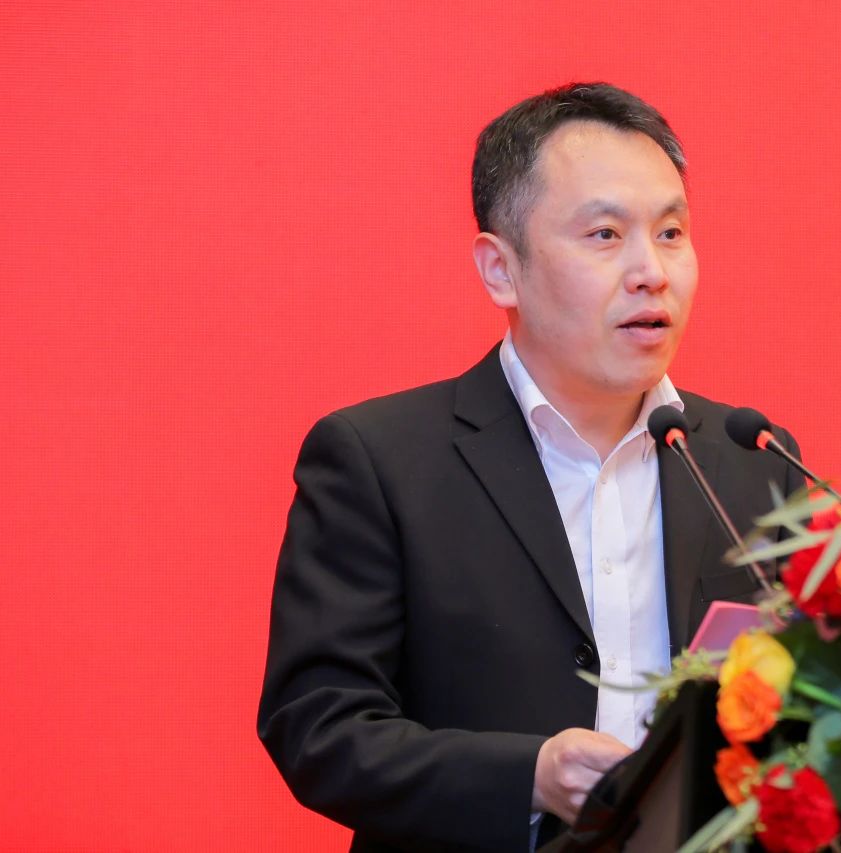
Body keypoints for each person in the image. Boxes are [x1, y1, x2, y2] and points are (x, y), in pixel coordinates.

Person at [257, 82, 803, 852]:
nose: (651, 270)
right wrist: (531, 776)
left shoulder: (752, 462)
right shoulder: (380, 461)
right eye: (605, 234)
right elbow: (319, 726)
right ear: (500, 270)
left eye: (671, 232)